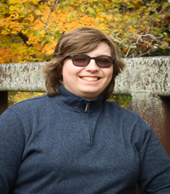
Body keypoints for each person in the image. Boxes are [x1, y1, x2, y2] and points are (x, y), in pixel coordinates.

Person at [0, 27, 170, 194]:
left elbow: (163, 185)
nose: (93, 67)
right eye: (80, 59)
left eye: (103, 61)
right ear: (59, 67)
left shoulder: (132, 124)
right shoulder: (20, 119)